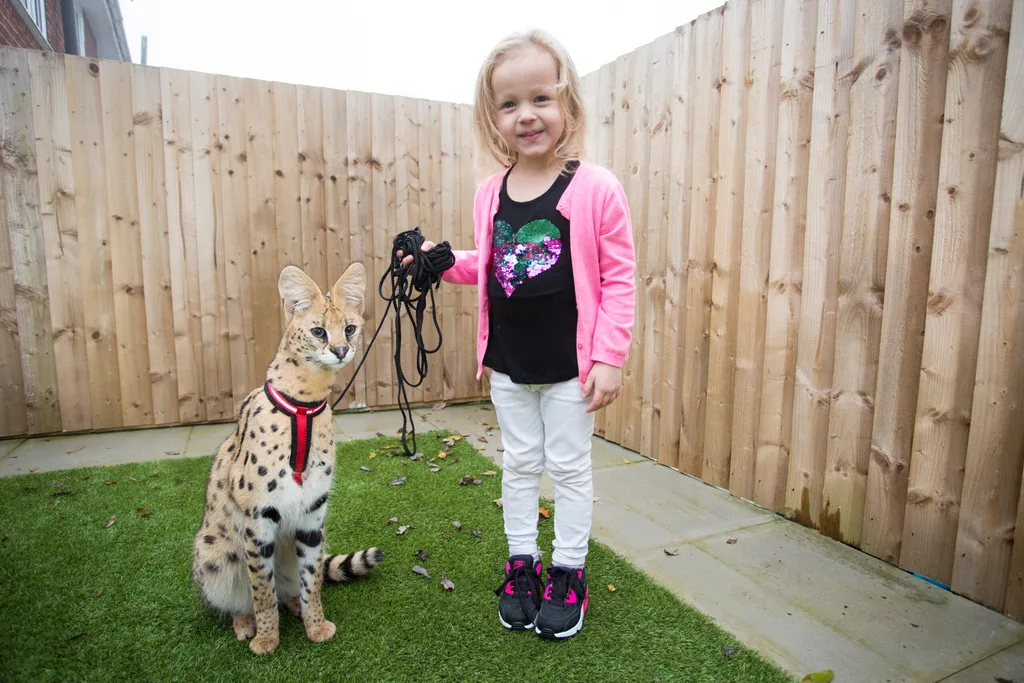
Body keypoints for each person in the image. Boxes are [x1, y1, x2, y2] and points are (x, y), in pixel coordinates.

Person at [396, 29, 635, 639]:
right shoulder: (490, 194)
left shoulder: (596, 188)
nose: (526, 115)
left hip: (570, 369)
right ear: (493, 117)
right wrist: (440, 261)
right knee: (521, 464)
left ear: (568, 105)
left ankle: (569, 570)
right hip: (507, 363)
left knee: (571, 467)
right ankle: (522, 564)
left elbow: (620, 279)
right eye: (509, 104)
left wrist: (609, 356)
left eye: (541, 98)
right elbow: (494, 262)